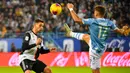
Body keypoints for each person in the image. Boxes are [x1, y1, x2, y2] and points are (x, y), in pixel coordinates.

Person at [65, 3, 129, 73]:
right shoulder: (110, 23)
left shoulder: (93, 21)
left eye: (94, 12)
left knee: (94, 71)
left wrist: (71, 8)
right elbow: (120, 31)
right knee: (87, 37)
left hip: (94, 50)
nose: (94, 13)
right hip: (102, 48)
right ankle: (71, 33)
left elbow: (76, 19)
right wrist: (123, 30)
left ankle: (71, 33)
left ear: (96, 13)